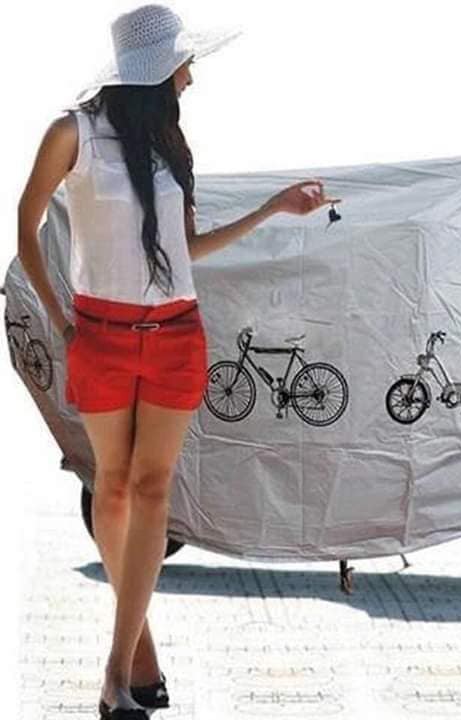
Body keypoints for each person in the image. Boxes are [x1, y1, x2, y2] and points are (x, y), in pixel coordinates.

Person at [16, 5, 341, 719]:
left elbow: (183, 252)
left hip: (174, 334)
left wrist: (271, 208)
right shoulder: (73, 133)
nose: (191, 77)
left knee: (152, 490)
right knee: (112, 490)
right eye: (184, 65)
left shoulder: (169, 142)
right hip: (101, 334)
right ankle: (140, 648)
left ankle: (115, 673)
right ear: (153, 71)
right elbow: (26, 225)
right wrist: (60, 319)